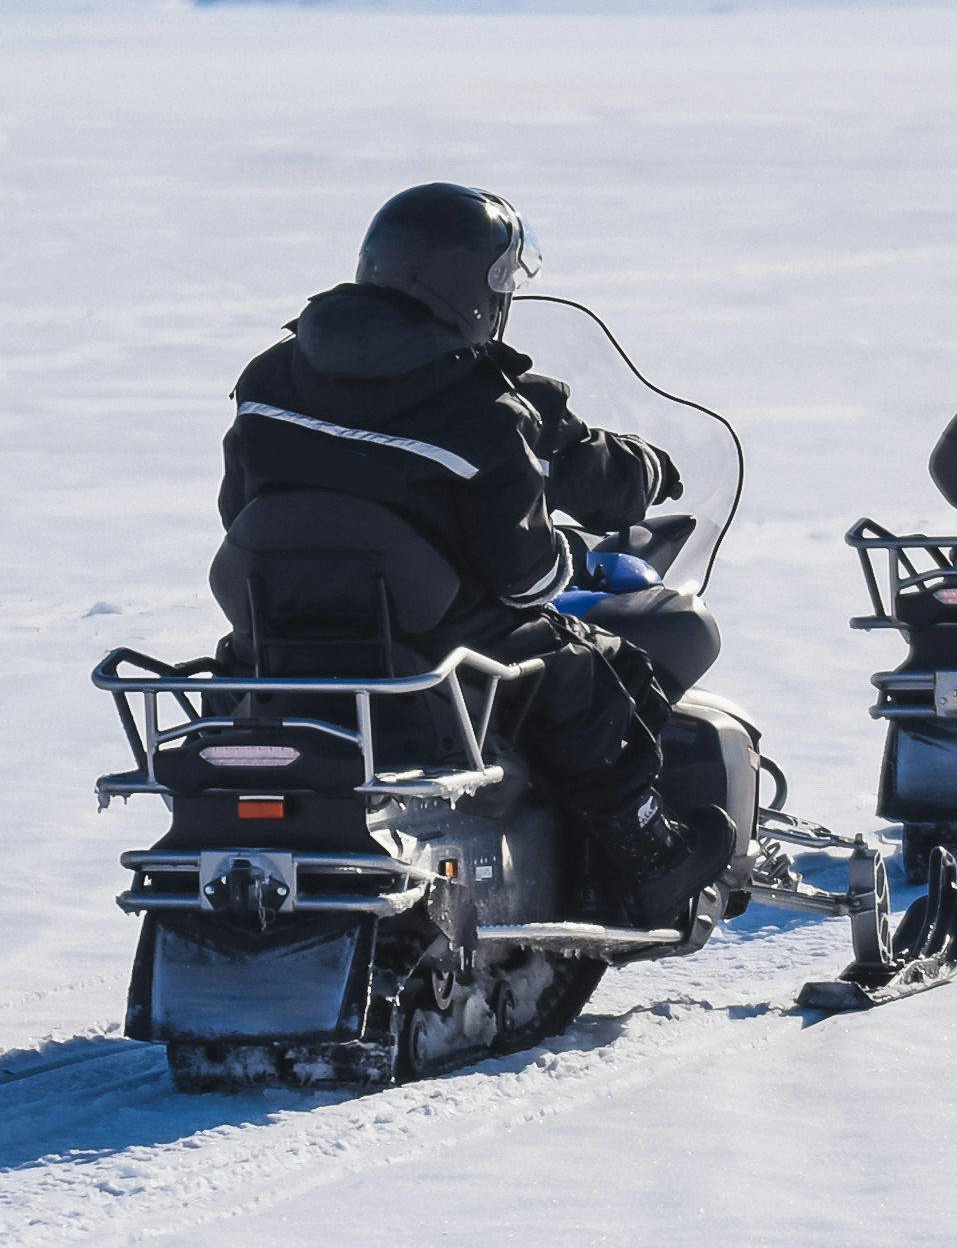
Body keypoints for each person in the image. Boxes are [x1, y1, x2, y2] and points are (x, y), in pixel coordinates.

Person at [219, 184, 726, 927]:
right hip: (428, 651)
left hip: (279, 637)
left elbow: (240, 511)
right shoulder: (482, 409)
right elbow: (525, 580)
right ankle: (649, 859)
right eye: (500, 283)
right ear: (467, 287)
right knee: (590, 670)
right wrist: (562, 557)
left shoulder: (268, 377)